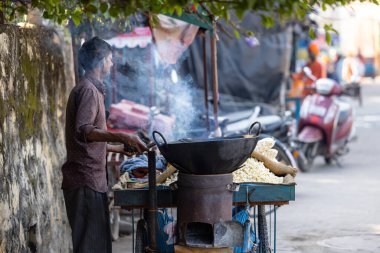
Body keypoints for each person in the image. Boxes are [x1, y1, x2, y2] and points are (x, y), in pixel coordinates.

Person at [61, 36, 148, 253]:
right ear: (100, 62)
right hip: (85, 181)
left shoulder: (91, 89)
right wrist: (122, 137)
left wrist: (117, 148)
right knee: (90, 247)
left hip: (90, 181)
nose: (111, 64)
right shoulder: (89, 91)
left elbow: (85, 141)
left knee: (97, 244)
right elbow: (85, 131)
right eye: (109, 59)